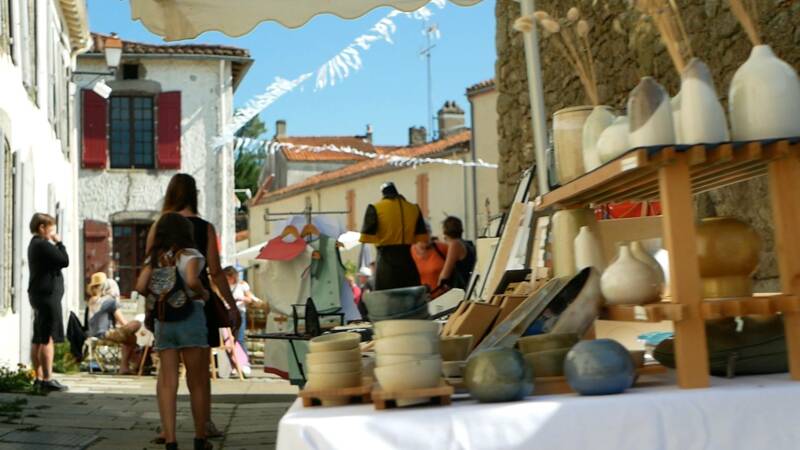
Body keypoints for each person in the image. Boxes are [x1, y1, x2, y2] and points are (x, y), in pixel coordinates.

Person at [144, 173, 238, 443]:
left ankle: (167, 430)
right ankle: (204, 425)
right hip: (198, 302)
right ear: (194, 194)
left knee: (167, 373)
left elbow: (150, 266)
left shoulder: (159, 225)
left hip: (165, 304)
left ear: (170, 193)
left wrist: (150, 308)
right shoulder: (205, 228)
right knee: (199, 373)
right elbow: (217, 271)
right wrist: (230, 305)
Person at [136, 213, 212, 450]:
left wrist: (159, 296)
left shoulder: (155, 258)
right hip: (190, 318)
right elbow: (191, 280)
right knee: (196, 380)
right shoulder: (190, 254)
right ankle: (200, 438)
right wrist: (204, 293)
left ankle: (170, 440)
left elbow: (139, 286)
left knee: (168, 382)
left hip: (165, 320)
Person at [27, 213, 69, 392]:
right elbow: (63, 260)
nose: (53, 231)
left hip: (40, 294)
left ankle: (39, 377)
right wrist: (59, 243)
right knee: (47, 338)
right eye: (50, 227)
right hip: (47, 296)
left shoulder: (35, 245)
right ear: (41, 227)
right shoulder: (42, 244)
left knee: (38, 336)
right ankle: (47, 378)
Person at [359, 182, 428, 290]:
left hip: (385, 263)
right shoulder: (414, 208)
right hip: (408, 262)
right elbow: (422, 237)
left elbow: (365, 237)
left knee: (387, 300)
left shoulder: (375, 208)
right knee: (411, 299)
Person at [85, 273, 142, 374]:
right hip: (105, 334)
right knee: (136, 325)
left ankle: (127, 366)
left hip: (93, 335)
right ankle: (130, 364)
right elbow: (123, 322)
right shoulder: (110, 301)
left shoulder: (91, 300)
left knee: (130, 337)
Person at [223, 266, 264, 352]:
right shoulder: (221, 285)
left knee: (239, 338)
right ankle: (232, 361)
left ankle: (244, 362)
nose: (228, 279)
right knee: (226, 340)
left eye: (229, 277)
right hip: (226, 313)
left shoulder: (242, 285)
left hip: (239, 312)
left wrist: (241, 298)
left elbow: (250, 299)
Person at [438, 216, 477, 291]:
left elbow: (445, 275)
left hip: (462, 290)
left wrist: (438, 288)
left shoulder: (455, 244)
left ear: (445, 231)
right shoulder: (466, 243)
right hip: (469, 286)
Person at [411, 226, 449, 296]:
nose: (427, 237)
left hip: (444, 298)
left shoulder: (442, 248)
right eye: (424, 235)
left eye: (429, 233)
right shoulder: (409, 252)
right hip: (421, 299)